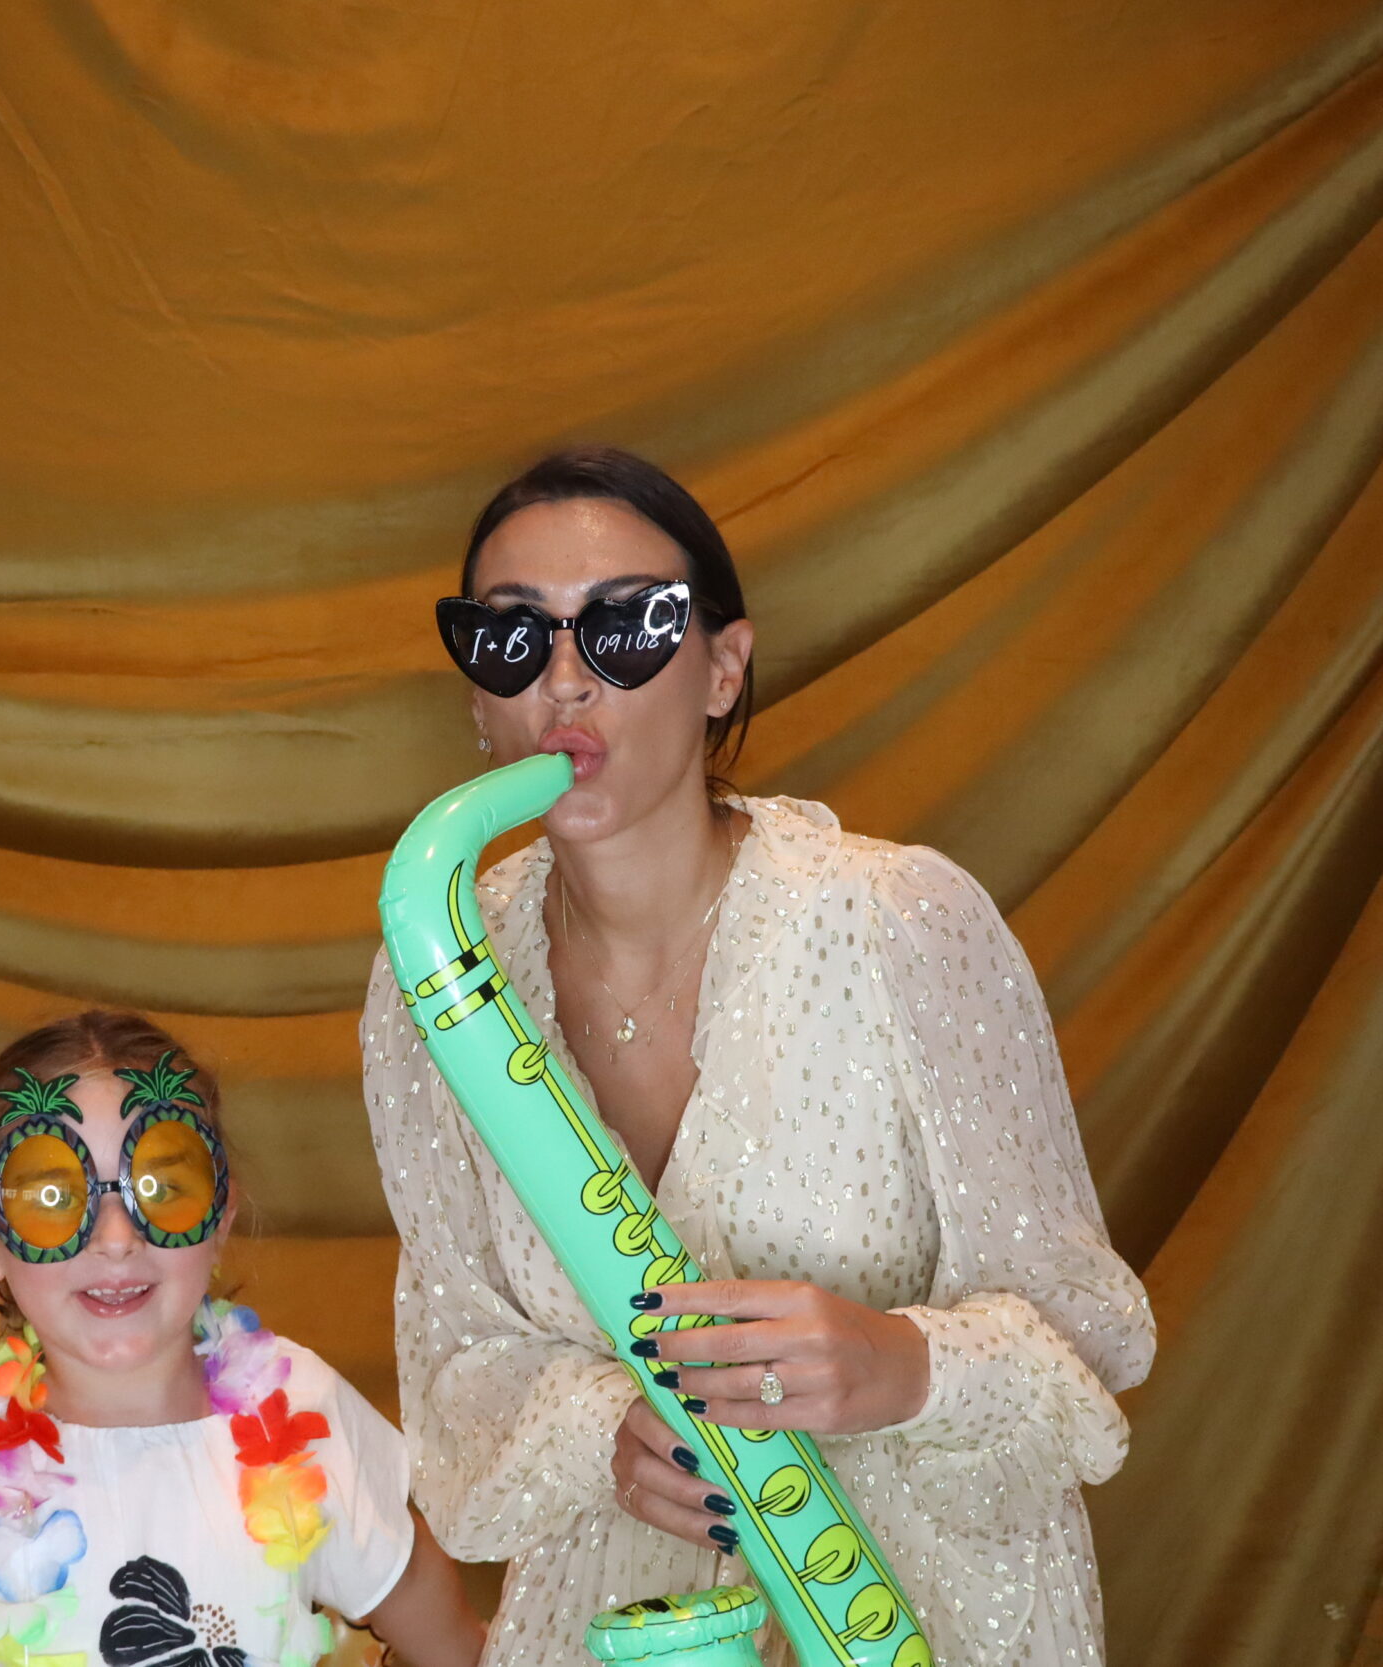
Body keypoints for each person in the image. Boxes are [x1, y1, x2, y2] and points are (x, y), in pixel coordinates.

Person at [362, 449, 1156, 1667]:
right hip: (606, 1623)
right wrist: (603, 1431)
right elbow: (456, 1373)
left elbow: (1088, 1342)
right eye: (512, 637)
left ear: (721, 668)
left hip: (925, 1619)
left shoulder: (900, 920)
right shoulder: (428, 976)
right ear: (477, 695)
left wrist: (900, 1365)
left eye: (625, 628)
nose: (564, 682)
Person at [0, 1010, 484, 1667]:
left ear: (219, 1218)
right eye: (54, 1196)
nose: (115, 1238)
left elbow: (441, 1624)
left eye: (161, 1188)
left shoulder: (299, 1413)